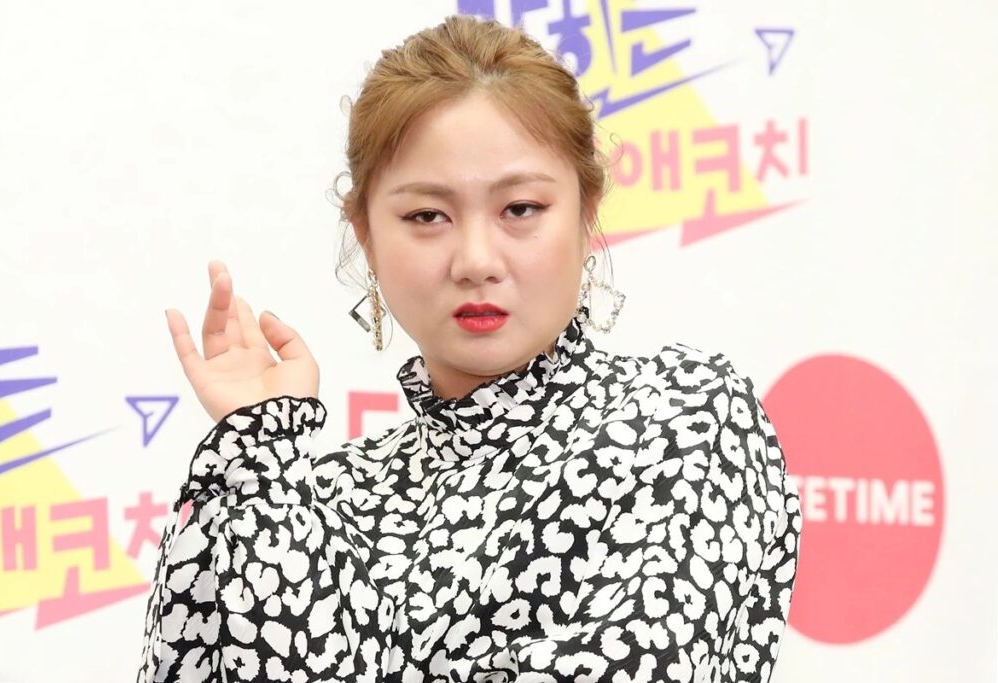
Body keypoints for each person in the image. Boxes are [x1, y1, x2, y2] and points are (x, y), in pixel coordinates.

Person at [137, 13, 802, 683]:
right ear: (366, 235)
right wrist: (259, 456)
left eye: (521, 209)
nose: (476, 260)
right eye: (427, 216)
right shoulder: (319, 492)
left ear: (586, 210)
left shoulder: (682, 418)